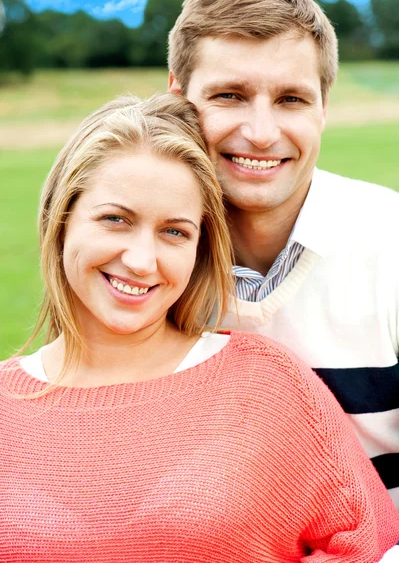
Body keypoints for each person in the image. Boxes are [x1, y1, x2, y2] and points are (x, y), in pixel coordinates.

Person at [0, 93, 398, 561]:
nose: (142, 261)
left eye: (174, 232)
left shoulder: (266, 385)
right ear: (60, 220)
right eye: (115, 219)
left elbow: (369, 543)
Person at [168, 0, 399, 507]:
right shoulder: (143, 262)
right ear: (178, 97)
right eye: (229, 95)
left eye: (291, 99)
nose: (262, 132)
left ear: (323, 109)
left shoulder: (389, 241)